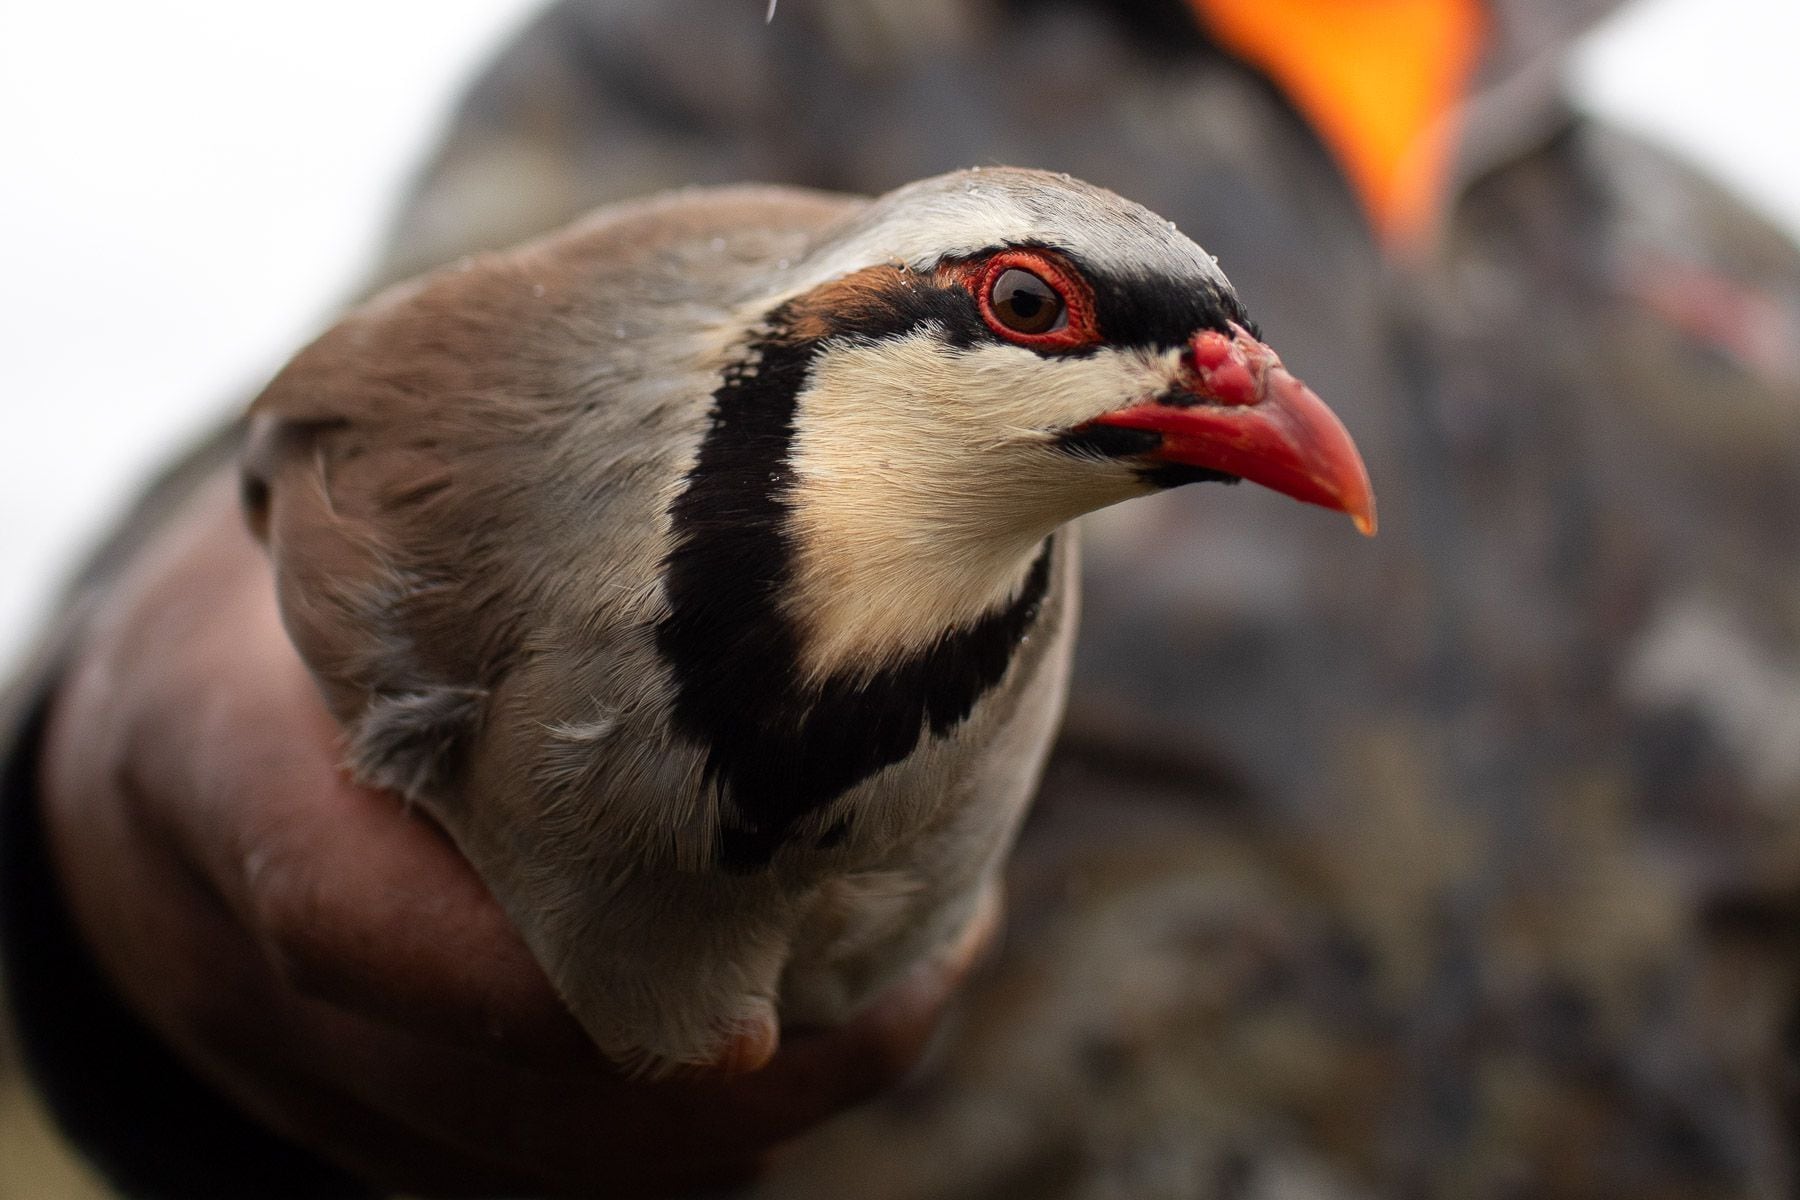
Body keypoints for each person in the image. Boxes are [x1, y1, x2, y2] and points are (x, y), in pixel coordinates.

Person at [7, 0, 1800, 1195]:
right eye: (1034, 311)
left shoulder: (1725, 259)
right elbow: (325, 464)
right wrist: (132, 768)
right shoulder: (756, 43)